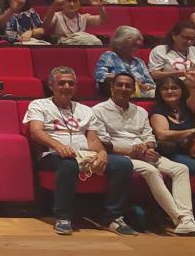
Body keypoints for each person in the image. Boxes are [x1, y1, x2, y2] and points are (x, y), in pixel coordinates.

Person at [25, 66, 137, 236]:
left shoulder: (85, 110)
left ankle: (113, 217)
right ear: (51, 85)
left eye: (71, 83)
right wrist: (58, 146)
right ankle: (63, 217)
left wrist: (102, 153)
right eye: (62, 83)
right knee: (69, 164)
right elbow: (36, 132)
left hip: (84, 154)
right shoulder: (39, 105)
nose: (67, 87)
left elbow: (92, 140)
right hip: (53, 154)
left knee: (123, 164)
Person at [91, 73, 195, 235]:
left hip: (145, 153)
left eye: (128, 86)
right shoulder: (98, 110)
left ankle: (188, 219)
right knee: (151, 170)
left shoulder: (140, 111)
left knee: (181, 169)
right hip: (121, 155)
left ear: (133, 89)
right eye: (120, 85)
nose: (124, 89)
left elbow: (150, 137)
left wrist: (148, 147)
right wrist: (132, 151)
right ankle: (179, 219)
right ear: (112, 87)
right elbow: (103, 143)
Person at [150, 76, 195, 192]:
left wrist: (194, 83)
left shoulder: (188, 107)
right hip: (172, 153)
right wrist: (192, 131)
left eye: (174, 88)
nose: (170, 91)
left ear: (182, 90)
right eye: (165, 89)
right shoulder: (158, 110)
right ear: (159, 92)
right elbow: (162, 134)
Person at [94, 27, 155, 97]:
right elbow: (100, 75)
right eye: (133, 45)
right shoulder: (110, 56)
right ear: (121, 43)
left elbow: (151, 83)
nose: (135, 49)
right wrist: (128, 80)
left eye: (137, 46)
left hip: (142, 93)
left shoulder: (139, 62)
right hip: (120, 92)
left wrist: (145, 86)